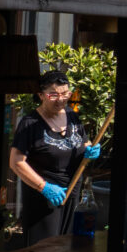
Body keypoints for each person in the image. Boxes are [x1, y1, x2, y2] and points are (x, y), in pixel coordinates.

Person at [10, 71, 101, 241]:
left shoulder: (72, 117)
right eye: (54, 95)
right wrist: (44, 187)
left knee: (66, 250)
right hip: (43, 199)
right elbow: (16, 162)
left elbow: (84, 144)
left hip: (72, 195)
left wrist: (91, 151)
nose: (61, 99)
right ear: (41, 95)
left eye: (65, 94)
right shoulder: (30, 124)